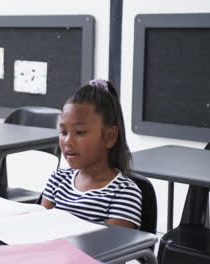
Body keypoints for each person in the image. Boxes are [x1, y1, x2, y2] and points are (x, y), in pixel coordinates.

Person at [41, 79, 142, 229]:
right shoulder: (58, 179)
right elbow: (38, 228)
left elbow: (114, 249)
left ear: (110, 137)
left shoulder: (124, 193)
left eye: (80, 132)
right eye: (63, 132)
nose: (67, 141)